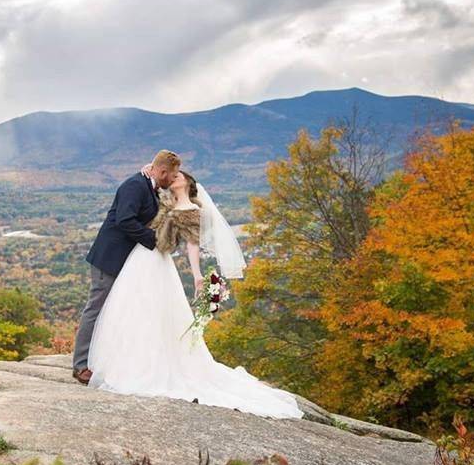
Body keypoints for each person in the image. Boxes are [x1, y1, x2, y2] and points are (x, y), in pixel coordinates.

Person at [85, 168, 304, 419]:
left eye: (180, 176)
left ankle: (148, 367)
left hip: (157, 261)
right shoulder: (162, 196)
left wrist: (197, 275)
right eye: (173, 174)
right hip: (138, 257)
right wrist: (147, 169)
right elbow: (154, 178)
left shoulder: (191, 209)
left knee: (155, 312)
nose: (175, 177)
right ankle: (124, 362)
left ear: (189, 184)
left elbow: (192, 244)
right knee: (132, 309)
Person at [71, 150, 182, 384]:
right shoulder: (135, 185)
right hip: (109, 258)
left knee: (116, 310)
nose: (172, 181)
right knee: (96, 309)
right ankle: (80, 365)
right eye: (171, 176)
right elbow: (125, 220)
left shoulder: (148, 183)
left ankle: (104, 359)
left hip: (125, 261)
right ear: (161, 172)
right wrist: (154, 239)